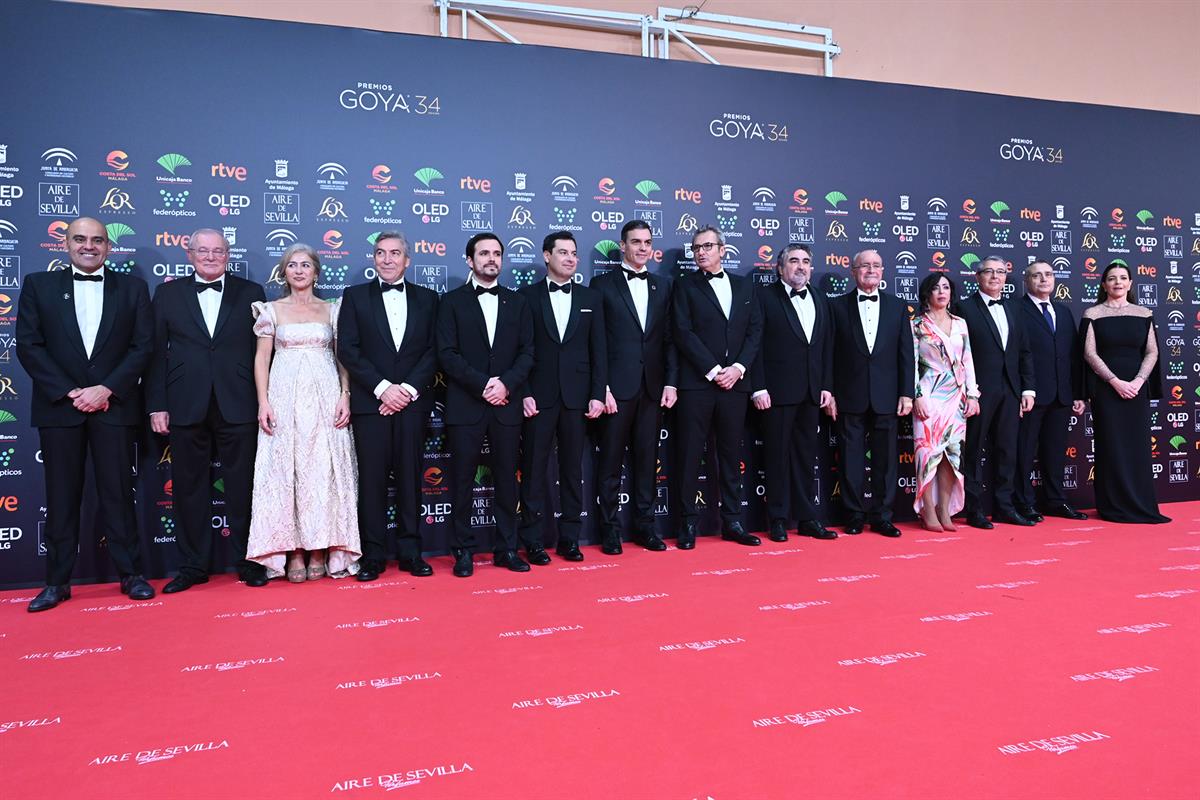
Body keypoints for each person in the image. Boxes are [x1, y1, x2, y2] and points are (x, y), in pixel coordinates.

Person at [15, 217, 155, 611]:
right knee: (61, 498)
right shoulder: (39, 286)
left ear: (108, 247)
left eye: (97, 240)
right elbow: (29, 345)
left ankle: (131, 575)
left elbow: (142, 347)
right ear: (66, 243)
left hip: (114, 405)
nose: (88, 246)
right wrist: (71, 391)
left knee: (119, 494)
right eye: (80, 239)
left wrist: (106, 388)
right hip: (61, 407)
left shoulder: (133, 289)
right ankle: (56, 582)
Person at [146, 228, 267, 592]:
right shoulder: (167, 294)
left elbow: (264, 354)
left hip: (239, 402)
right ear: (189, 253)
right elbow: (154, 355)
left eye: (218, 251)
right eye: (203, 250)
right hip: (185, 403)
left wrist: (265, 402)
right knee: (188, 488)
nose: (210, 257)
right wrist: (157, 405)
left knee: (244, 487)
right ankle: (192, 566)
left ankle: (249, 561)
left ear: (228, 254)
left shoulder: (252, 293)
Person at [247, 244, 361, 580]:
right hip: (284, 397)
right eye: (292, 265)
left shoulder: (333, 310)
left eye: (306, 265)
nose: (299, 270)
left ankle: (321, 548)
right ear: (284, 272)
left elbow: (344, 357)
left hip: (326, 396)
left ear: (316, 271)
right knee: (288, 472)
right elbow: (261, 359)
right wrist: (263, 402)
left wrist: (345, 395)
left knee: (324, 472)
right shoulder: (271, 310)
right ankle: (294, 551)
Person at [338, 232, 440, 581]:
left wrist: (407, 390)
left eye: (395, 253)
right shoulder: (354, 298)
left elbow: (434, 351)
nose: (387, 259)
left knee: (413, 479)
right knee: (372, 482)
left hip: (412, 403)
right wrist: (383, 390)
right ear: (373, 258)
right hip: (371, 404)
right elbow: (348, 350)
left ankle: (412, 553)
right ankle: (373, 557)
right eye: (380, 253)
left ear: (407, 260)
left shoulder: (429, 299)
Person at [437, 233, 535, 576]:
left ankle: (507, 548)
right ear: (469, 260)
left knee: (508, 480)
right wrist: (483, 385)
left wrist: (505, 384)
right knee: (462, 480)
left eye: (496, 253)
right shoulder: (450, 302)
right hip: (466, 404)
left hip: (506, 404)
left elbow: (528, 352)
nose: (491, 259)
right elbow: (447, 355)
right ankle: (463, 550)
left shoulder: (518, 302)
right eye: (483, 253)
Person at [671, 225, 763, 549]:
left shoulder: (744, 286)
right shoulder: (683, 286)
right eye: (696, 247)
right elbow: (682, 332)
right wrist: (713, 370)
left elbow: (755, 333)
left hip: (735, 385)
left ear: (722, 250)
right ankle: (687, 525)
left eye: (708, 246)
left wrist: (737, 369)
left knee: (729, 454)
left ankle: (733, 522)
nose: (701, 252)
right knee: (689, 454)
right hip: (698, 385)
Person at [518, 232, 607, 564]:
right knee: (534, 471)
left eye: (574, 253)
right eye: (563, 253)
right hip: (538, 399)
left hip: (578, 399)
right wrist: (523, 392)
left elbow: (600, 351)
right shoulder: (526, 298)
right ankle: (533, 540)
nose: (570, 258)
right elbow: (520, 351)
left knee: (572, 471)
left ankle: (570, 538)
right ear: (546, 256)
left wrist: (597, 394)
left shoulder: (591, 298)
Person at [591, 220, 677, 553]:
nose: (643, 248)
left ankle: (646, 527)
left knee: (647, 462)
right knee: (610, 463)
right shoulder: (602, 285)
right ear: (622, 246)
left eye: (647, 242)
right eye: (636, 242)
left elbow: (669, 340)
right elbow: (596, 343)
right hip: (616, 389)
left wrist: (671, 382)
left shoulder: (663, 286)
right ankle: (610, 530)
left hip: (653, 388)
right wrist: (603, 387)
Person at [751, 245, 837, 542]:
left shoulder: (820, 298)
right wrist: (758, 386)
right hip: (776, 392)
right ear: (779, 267)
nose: (800, 267)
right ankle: (777, 518)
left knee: (805, 457)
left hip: (811, 392)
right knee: (776, 457)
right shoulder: (763, 297)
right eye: (793, 261)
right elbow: (755, 345)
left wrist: (826, 385)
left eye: (805, 262)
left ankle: (806, 517)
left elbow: (825, 346)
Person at [827, 249, 914, 538]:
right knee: (851, 459)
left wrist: (906, 393)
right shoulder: (836, 307)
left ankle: (882, 516)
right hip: (848, 394)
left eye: (877, 265)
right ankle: (854, 514)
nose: (871, 270)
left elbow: (906, 354)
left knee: (886, 461)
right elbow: (828, 353)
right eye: (865, 266)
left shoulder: (897, 306)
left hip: (887, 395)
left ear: (883, 271)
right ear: (853, 271)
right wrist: (830, 392)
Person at [1080, 261, 1170, 524]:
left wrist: (1139, 381)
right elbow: (1089, 353)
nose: (1117, 282)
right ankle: (1112, 506)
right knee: (1111, 446)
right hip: (1107, 392)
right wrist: (1115, 381)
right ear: (1103, 284)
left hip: (1137, 390)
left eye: (1122, 278)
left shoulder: (1143, 313)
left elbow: (1152, 351)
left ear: (1130, 284)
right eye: (1111, 278)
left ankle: (1141, 504)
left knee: (1137, 446)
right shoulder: (1093, 313)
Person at [955, 256, 1036, 529]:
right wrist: (969, 391)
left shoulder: (1014, 308)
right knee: (973, 450)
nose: (995, 277)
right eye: (988, 272)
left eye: (1000, 272)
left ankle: (1004, 507)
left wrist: (1028, 388)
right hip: (977, 392)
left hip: (1011, 390)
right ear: (977, 277)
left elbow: (1024, 352)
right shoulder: (963, 308)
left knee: (1007, 451)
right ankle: (974, 509)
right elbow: (958, 354)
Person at [1014, 259, 1087, 521]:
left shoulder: (1064, 311)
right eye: (1037, 275)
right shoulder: (1016, 309)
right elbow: (1016, 355)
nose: (1044, 279)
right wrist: (1024, 389)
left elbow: (1073, 356)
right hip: (1030, 395)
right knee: (1023, 451)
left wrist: (1078, 393)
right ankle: (1024, 502)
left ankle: (1055, 500)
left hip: (1062, 394)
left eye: (1048, 274)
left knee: (1055, 451)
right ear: (1026, 281)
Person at [911, 274, 979, 531]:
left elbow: (968, 360)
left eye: (946, 287)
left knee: (952, 455)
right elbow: (912, 365)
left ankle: (944, 510)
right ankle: (927, 510)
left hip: (956, 397)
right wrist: (917, 395)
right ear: (926, 293)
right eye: (936, 288)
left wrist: (972, 394)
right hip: (929, 396)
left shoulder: (961, 323)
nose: (942, 292)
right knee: (927, 454)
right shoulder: (916, 324)